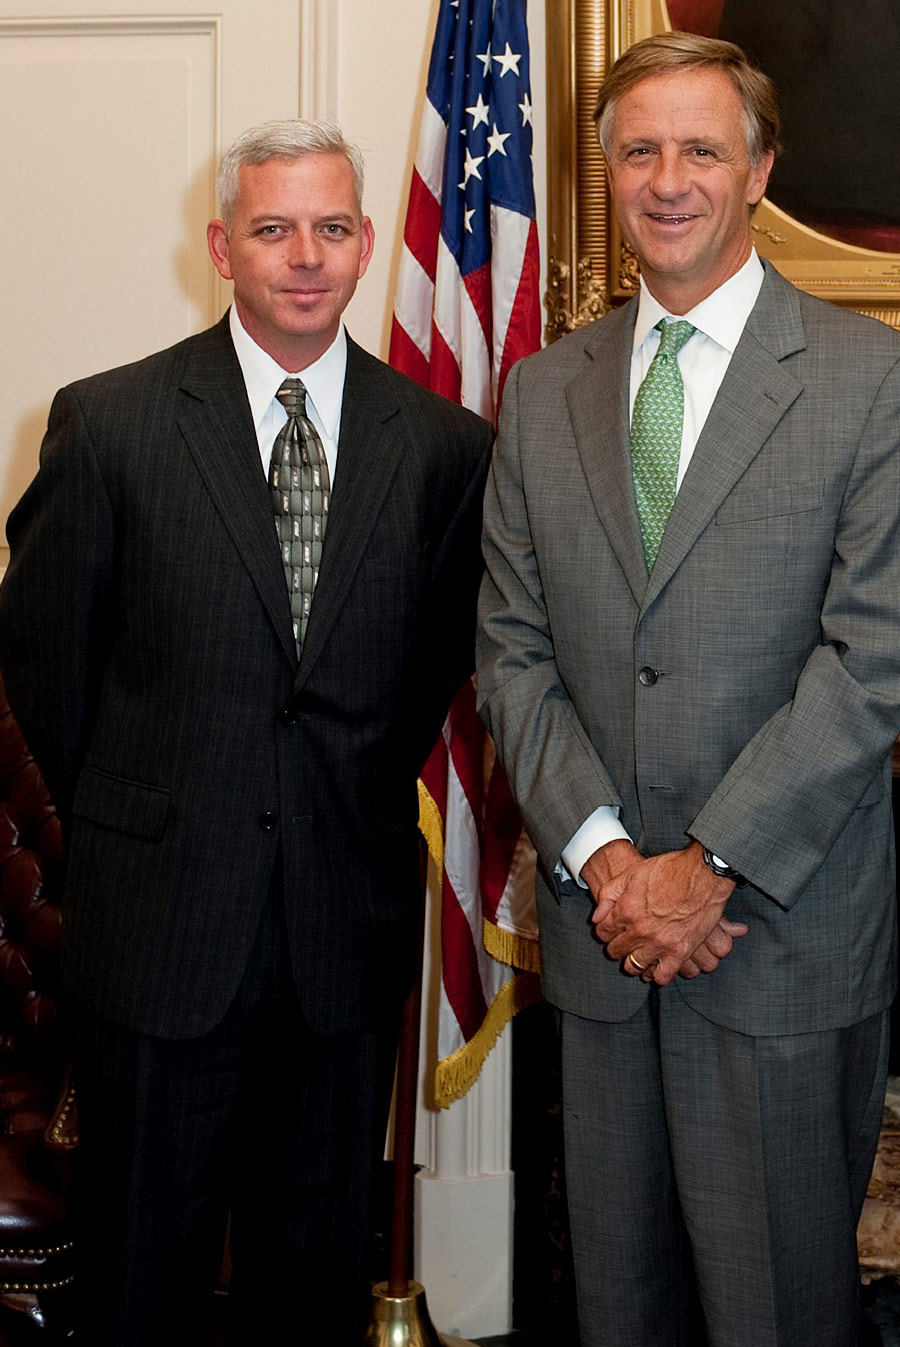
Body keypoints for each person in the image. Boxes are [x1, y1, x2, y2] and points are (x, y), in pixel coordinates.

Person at [0, 118, 492, 1345]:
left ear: (369, 243)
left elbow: (430, 673)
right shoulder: (108, 426)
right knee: (137, 1275)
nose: (306, 256)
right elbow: (48, 667)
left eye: (332, 229)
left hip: (343, 930)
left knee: (310, 1279)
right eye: (274, 229)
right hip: (160, 931)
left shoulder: (443, 451)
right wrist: (157, 811)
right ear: (223, 246)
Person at [476, 31, 900, 1347]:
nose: (669, 177)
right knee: (619, 1308)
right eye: (639, 148)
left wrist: (706, 865)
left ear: (759, 168)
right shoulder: (542, 391)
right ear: (606, 171)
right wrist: (612, 866)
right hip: (605, 948)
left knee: (780, 1314)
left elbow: (874, 655)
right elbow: (512, 647)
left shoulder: (870, 377)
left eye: (701, 148)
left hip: (776, 938)